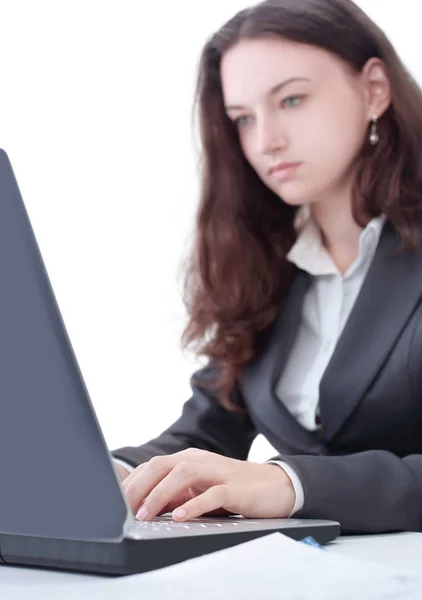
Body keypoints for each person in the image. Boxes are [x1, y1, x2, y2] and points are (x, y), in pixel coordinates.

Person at [112, 0, 422, 534]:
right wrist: (107, 474)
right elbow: (204, 435)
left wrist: (290, 484)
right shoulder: (266, 269)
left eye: (292, 100)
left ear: (373, 89)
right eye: (243, 119)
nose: (264, 141)